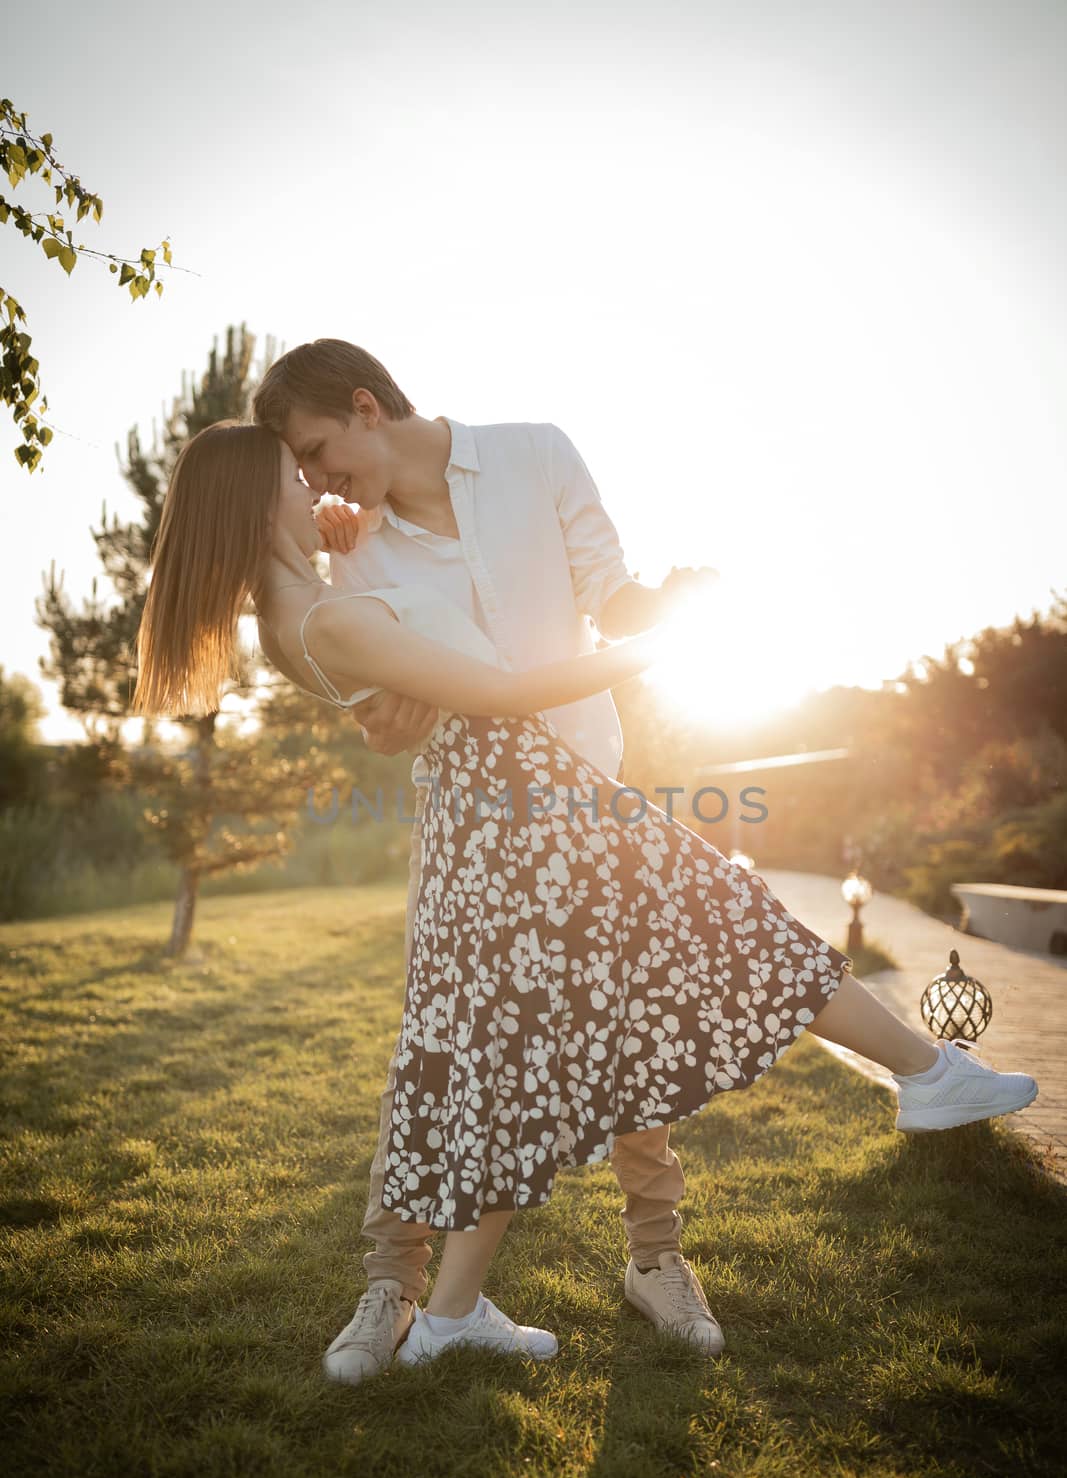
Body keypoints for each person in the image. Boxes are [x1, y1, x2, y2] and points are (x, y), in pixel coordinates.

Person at [133, 407, 1039, 1383]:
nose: (319, 489)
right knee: (715, 938)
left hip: (510, 809)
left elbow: (407, 679)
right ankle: (924, 1077)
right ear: (255, 502)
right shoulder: (328, 615)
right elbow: (501, 693)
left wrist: (346, 557)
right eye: (295, 477)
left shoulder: (310, 604)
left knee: (558, 1027)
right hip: (522, 806)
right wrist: (664, 647)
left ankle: (450, 1309)